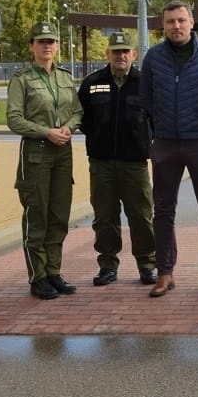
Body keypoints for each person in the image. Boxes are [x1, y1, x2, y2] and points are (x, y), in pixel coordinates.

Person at [140, 0, 198, 298]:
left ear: (192, 22)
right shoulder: (153, 58)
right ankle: (165, 273)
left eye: (181, 20)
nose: (176, 26)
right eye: (170, 21)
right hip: (166, 144)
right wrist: (161, 127)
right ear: (163, 25)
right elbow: (146, 100)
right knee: (163, 210)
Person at [7, 21, 83, 300]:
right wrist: (46, 132)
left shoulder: (64, 76)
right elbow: (13, 118)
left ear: (57, 46)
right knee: (37, 216)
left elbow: (77, 111)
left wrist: (68, 128)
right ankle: (38, 277)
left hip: (62, 153)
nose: (47, 46)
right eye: (41, 41)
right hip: (37, 153)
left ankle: (54, 271)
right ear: (32, 46)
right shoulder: (22, 79)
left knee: (59, 215)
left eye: (51, 41)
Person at [78, 31, 156, 288]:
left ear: (133, 54)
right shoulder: (92, 83)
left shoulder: (146, 83)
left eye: (125, 51)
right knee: (105, 216)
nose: (120, 56)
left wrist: (146, 142)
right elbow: (84, 119)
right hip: (101, 163)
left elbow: (156, 119)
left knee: (142, 214)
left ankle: (147, 264)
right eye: (115, 51)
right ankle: (108, 265)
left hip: (135, 163)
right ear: (108, 54)